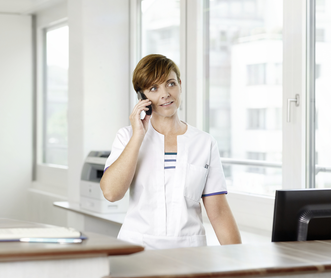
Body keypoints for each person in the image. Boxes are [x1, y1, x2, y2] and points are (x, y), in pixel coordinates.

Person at [100, 54, 241, 250]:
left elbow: (218, 212)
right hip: (137, 249)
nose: (165, 94)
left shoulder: (204, 143)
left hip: (190, 251)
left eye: (171, 84)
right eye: (153, 88)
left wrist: (240, 258)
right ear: (142, 97)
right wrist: (138, 136)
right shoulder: (127, 137)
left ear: (180, 85)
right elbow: (111, 193)